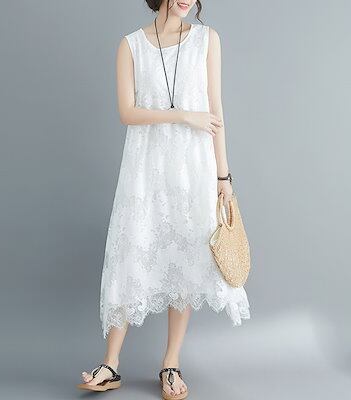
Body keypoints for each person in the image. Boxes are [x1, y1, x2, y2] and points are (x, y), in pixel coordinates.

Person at [77, 1, 250, 398]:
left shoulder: (207, 40)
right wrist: (184, 115)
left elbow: (216, 111)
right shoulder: (131, 45)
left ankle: (171, 363)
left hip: (194, 168)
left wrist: (223, 176)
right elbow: (127, 112)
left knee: (184, 256)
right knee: (131, 252)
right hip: (144, 168)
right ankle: (111, 363)